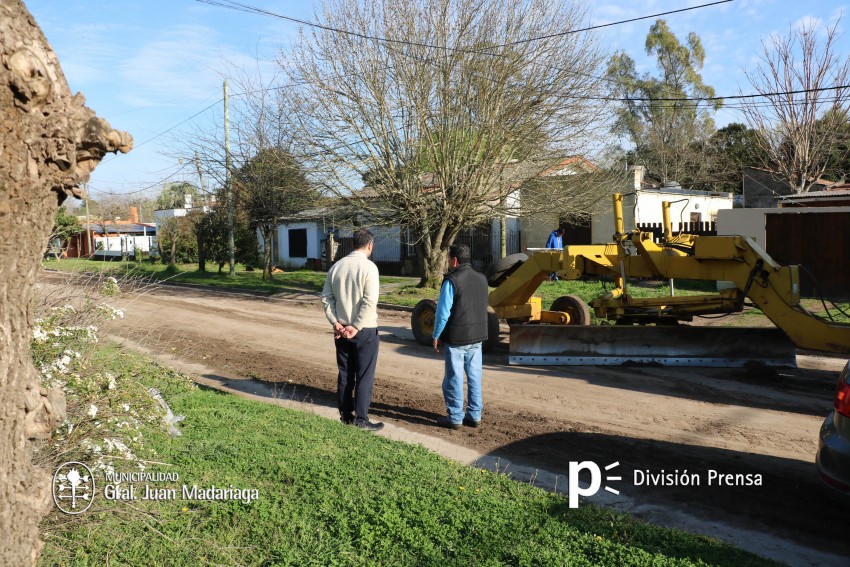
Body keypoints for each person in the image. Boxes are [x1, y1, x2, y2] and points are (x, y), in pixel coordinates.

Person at [321, 229, 383, 432]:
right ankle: (361, 420)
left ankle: (346, 416)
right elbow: (370, 301)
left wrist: (335, 322)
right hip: (364, 329)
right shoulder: (369, 267)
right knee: (364, 376)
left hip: (341, 329)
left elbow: (326, 298)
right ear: (370, 245)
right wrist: (356, 326)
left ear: (353, 243)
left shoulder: (336, 266)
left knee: (345, 374)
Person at [431, 244, 489, 429]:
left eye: (448, 259)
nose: (448, 262)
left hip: (456, 338)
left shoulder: (452, 281)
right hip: (477, 337)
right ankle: (475, 415)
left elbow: (442, 313)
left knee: (453, 378)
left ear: (454, 260)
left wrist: (436, 334)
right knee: (474, 376)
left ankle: (455, 417)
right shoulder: (482, 279)